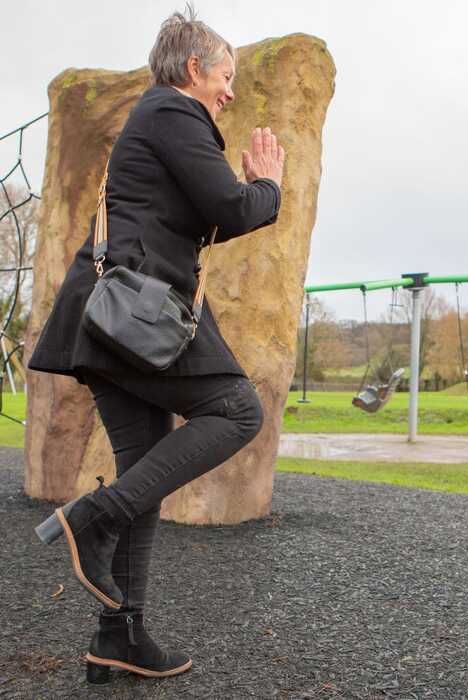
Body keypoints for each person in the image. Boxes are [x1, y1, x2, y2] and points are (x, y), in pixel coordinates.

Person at [29, 9, 284, 683]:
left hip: (109, 320)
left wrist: (244, 194)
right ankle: (94, 517)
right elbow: (232, 207)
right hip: (140, 312)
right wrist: (269, 188)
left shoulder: (158, 120)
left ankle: (120, 635)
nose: (229, 92)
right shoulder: (174, 111)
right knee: (237, 411)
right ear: (195, 68)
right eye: (226, 76)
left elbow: (203, 219)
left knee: (146, 461)